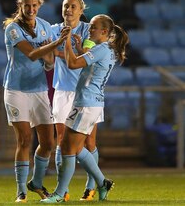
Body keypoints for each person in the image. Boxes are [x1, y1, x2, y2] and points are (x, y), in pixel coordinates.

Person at [41, 14, 129, 203]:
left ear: (104, 32)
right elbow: (87, 63)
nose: (90, 29)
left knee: (68, 147)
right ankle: (102, 182)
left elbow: (73, 64)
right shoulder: (105, 49)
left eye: (94, 27)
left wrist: (65, 42)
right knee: (74, 146)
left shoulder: (102, 49)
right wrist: (80, 49)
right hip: (87, 102)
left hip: (87, 103)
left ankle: (59, 193)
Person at [2, 0, 70, 203]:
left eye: (34, 5)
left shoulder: (44, 27)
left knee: (49, 143)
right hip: (16, 90)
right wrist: (56, 43)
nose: (31, 9)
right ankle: (21, 190)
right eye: (27, 5)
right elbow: (31, 54)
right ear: (20, 5)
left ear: (39, 5)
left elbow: (48, 60)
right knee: (25, 139)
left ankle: (36, 182)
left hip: (39, 89)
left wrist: (53, 55)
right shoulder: (13, 29)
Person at [50, 0, 99, 201]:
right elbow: (46, 52)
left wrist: (61, 51)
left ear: (81, 11)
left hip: (85, 91)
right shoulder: (53, 30)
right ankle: (63, 189)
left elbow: (88, 59)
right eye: (65, 6)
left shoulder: (89, 31)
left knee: (88, 142)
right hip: (62, 90)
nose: (68, 10)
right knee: (61, 141)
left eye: (73, 7)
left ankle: (91, 185)